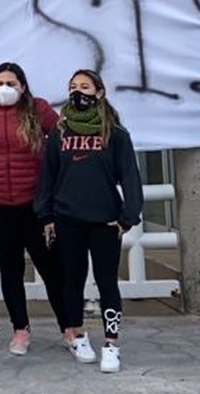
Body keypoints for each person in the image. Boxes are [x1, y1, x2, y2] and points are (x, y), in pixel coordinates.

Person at [0, 61, 70, 358]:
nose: (4, 88)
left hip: (34, 206)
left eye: (11, 83)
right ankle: (20, 329)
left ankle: (68, 328)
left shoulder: (38, 110)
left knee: (51, 268)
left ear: (22, 86)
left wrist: (49, 178)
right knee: (11, 269)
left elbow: (60, 139)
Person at [35, 69, 143, 374]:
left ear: (99, 92)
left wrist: (127, 217)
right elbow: (48, 178)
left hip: (105, 222)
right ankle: (78, 335)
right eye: (72, 87)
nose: (77, 91)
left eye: (84, 86)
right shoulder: (58, 133)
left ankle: (111, 343)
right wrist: (45, 215)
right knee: (72, 281)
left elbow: (131, 179)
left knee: (108, 282)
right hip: (67, 220)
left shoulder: (116, 134)